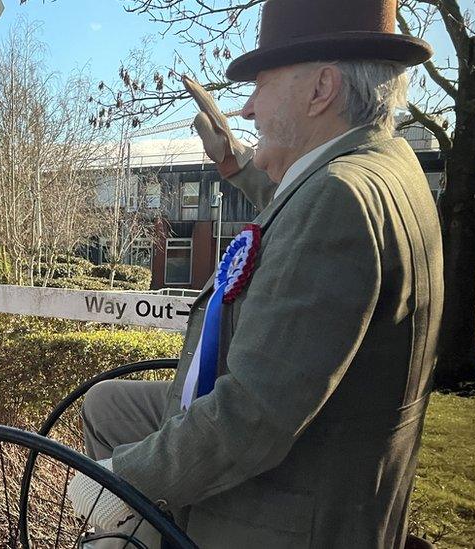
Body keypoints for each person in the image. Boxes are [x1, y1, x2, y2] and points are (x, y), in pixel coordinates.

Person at [68, 1, 444, 547]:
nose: (246, 109)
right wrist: (235, 164)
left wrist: (119, 482)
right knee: (108, 406)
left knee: (107, 519)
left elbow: (252, 417)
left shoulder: (340, 198)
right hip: (344, 472)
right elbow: (296, 220)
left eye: (261, 85)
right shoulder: (383, 163)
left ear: (322, 89)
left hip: (291, 510)